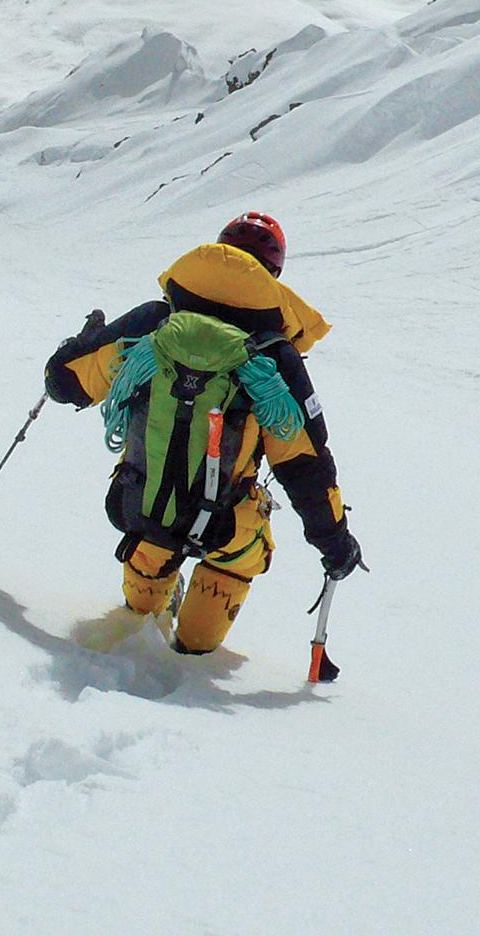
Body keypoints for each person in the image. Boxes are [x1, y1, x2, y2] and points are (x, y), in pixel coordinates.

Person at [44, 211, 363, 656]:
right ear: (274, 275)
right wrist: (335, 541)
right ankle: (191, 654)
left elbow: (62, 382)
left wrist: (87, 340)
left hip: (141, 503)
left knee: (141, 596)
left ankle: (141, 621)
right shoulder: (275, 356)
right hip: (225, 525)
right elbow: (304, 465)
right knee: (240, 560)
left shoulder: (153, 322)